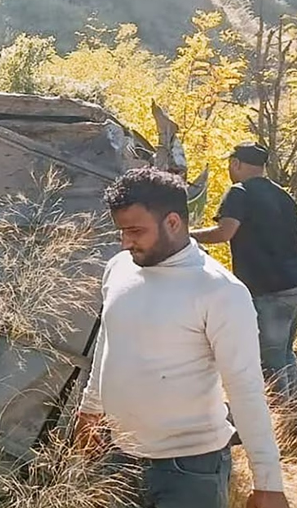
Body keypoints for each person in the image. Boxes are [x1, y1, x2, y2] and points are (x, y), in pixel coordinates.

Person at [76, 167, 287, 508]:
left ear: (173, 222)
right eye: (121, 231)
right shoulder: (119, 268)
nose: (125, 241)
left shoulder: (220, 291)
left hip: (191, 470)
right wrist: (90, 410)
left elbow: (246, 389)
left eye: (135, 231)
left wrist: (268, 484)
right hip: (118, 458)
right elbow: (109, 340)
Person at [192, 142, 297, 397]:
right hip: (293, 287)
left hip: (267, 290)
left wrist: (185, 237)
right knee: (285, 355)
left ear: (236, 163)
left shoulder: (239, 192)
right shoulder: (283, 196)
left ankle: (283, 425)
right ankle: (292, 413)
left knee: (269, 360)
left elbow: (224, 232)